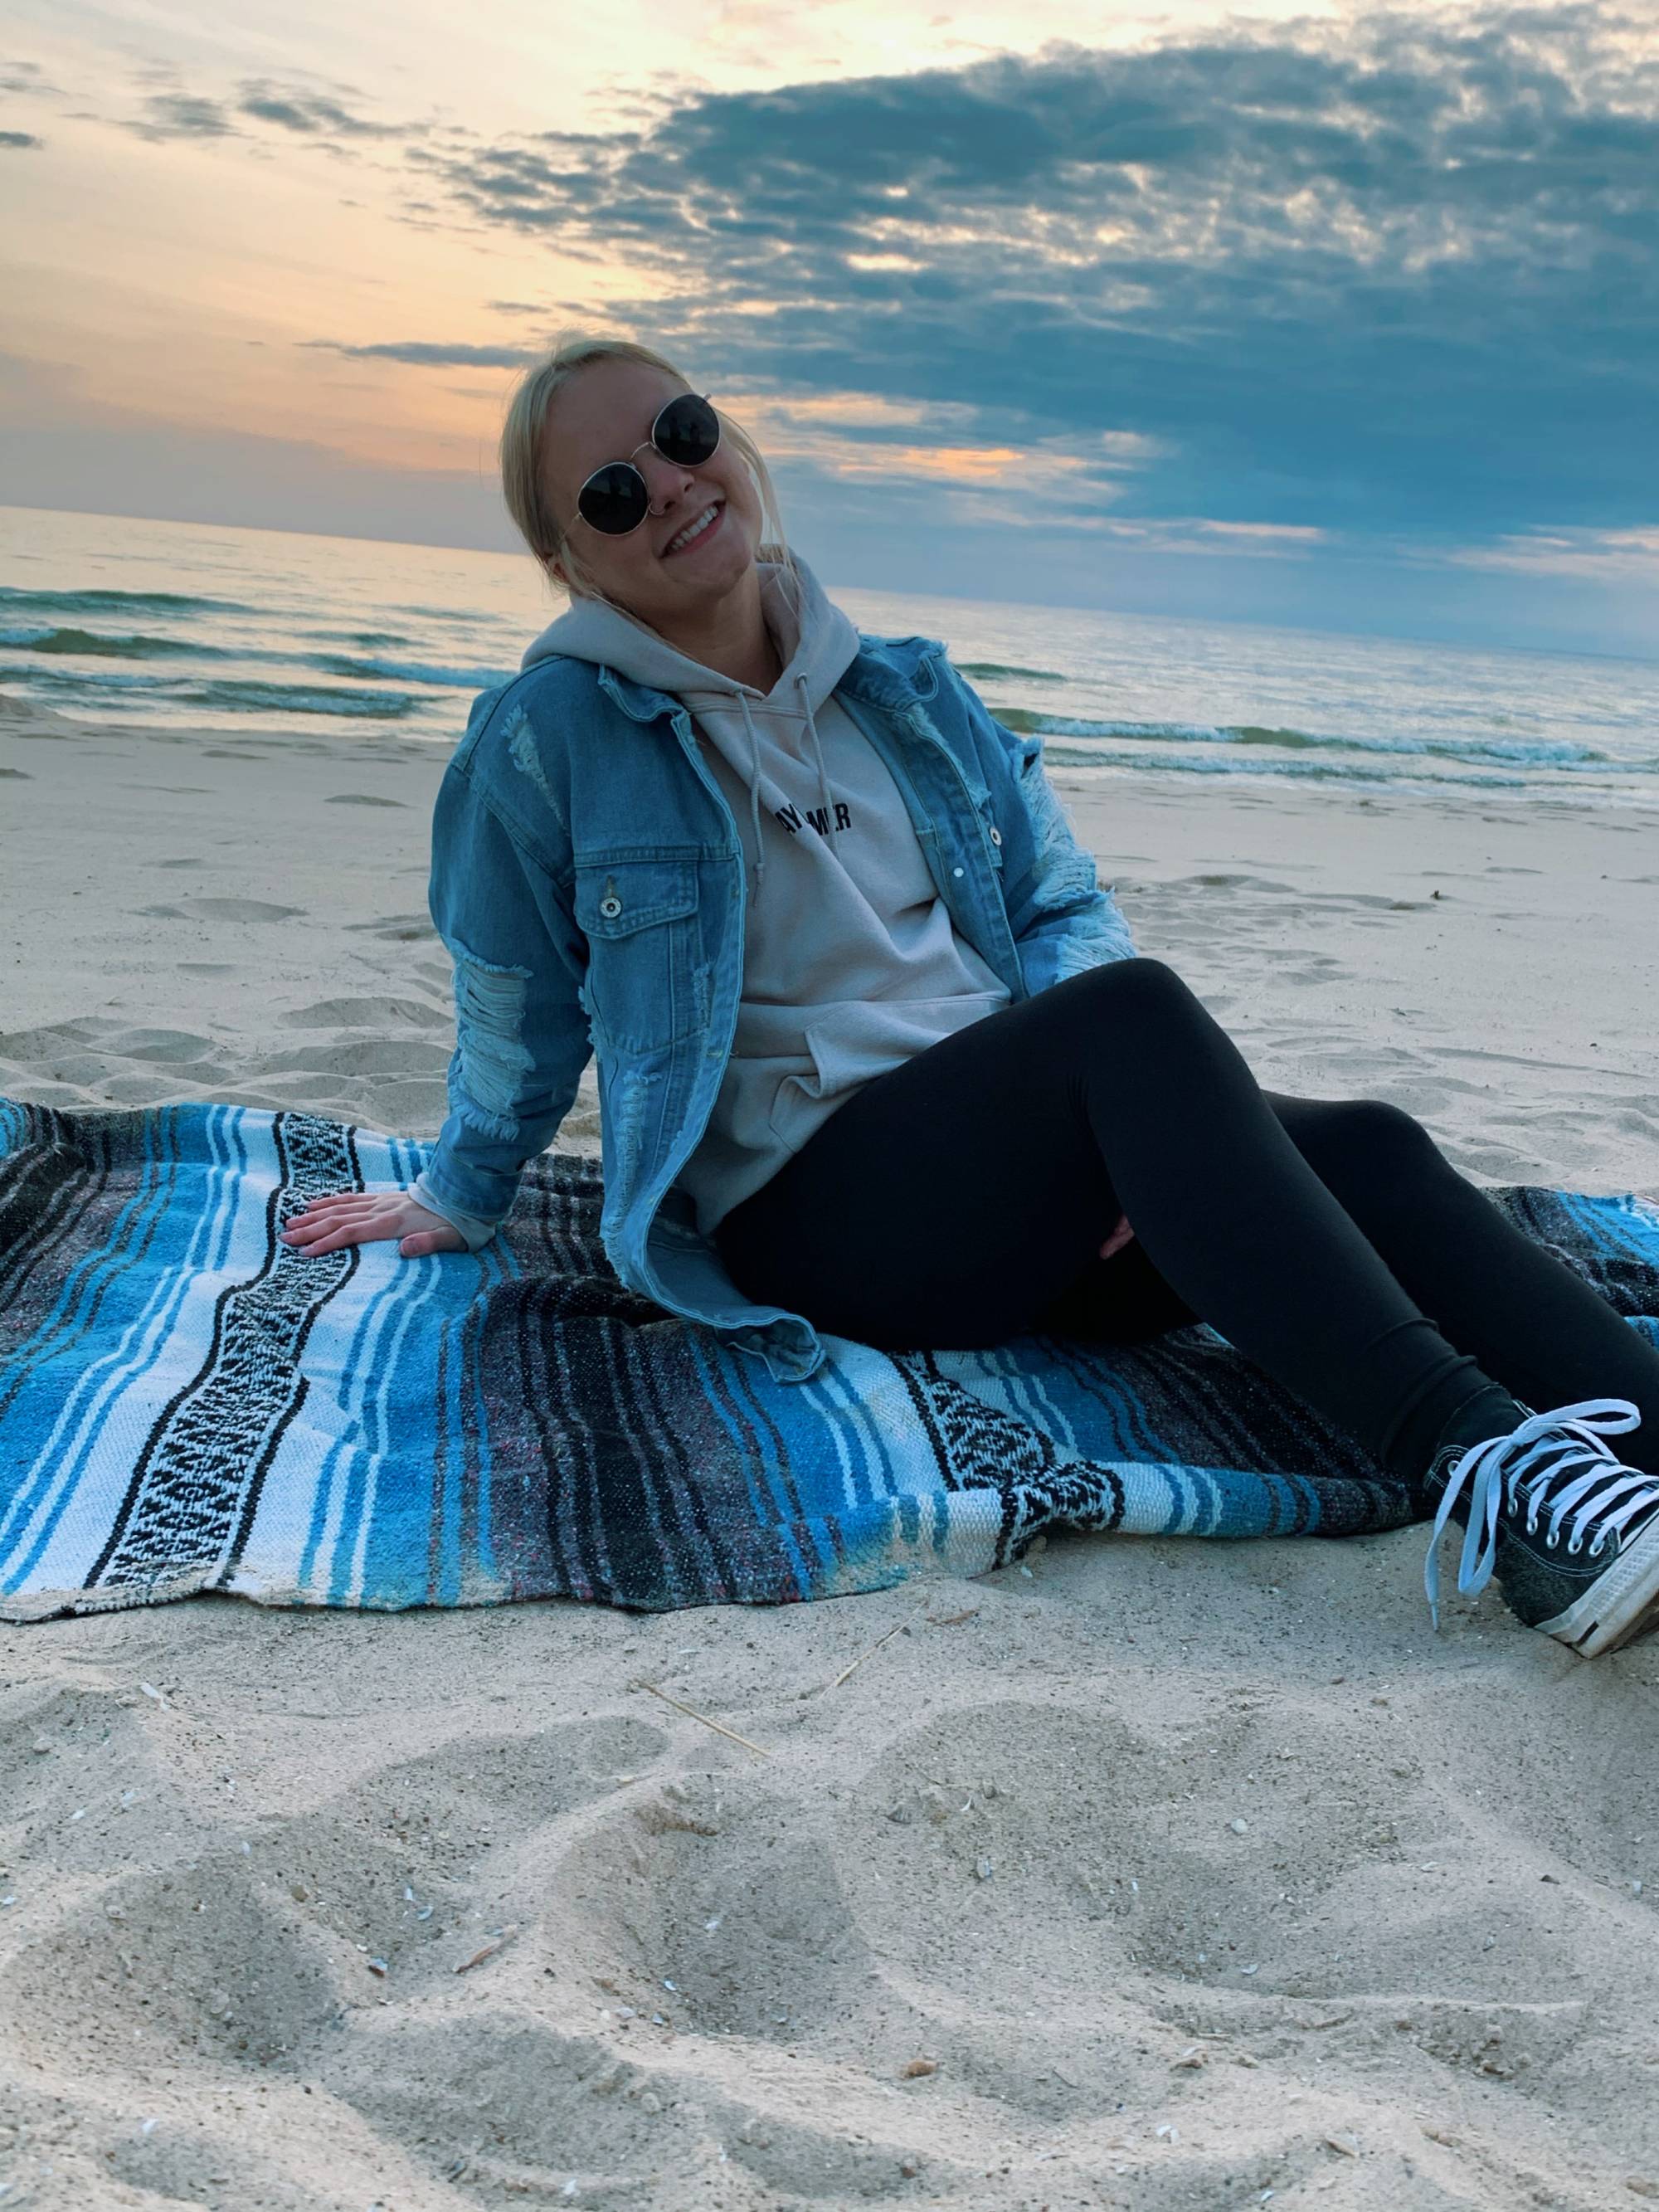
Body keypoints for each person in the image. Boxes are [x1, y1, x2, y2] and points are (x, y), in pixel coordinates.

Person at [281, 336, 1659, 1659]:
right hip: (818, 1213)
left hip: (1027, 1178)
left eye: (683, 434)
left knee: (1371, 1146)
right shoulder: (547, 741)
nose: (672, 485)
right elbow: (517, 995)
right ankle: (1503, 1483)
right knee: (1133, 1019)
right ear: (569, 559)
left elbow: (1058, 902)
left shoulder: (907, 691)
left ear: (730, 441)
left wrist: (1126, 1137)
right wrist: (461, 1189)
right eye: (612, 491)